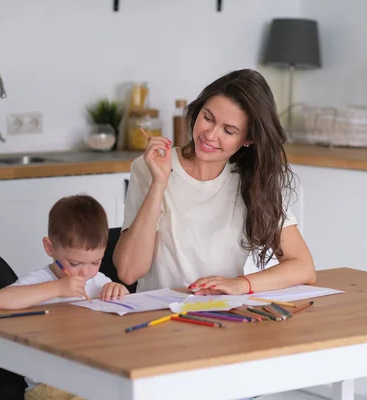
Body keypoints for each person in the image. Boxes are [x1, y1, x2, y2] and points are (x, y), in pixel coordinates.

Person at [113, 69, 316, 296]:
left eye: (228, 131)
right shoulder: (149, 166)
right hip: (158, 316)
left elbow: (303, 267)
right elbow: (129, 271)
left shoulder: (252, 179)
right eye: (207, 118)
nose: (210, 135)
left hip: (222, 316)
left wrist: (240, 284)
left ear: (248, 139)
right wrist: (159, 183)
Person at [0, 194, 128, 400]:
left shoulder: (98, 281)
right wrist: (57, 289)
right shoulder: (41, 281)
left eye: (95, 262)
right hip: (50, 387)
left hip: (93, 378)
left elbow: (125, 308)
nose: (86, 272)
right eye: (75, 264)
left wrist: (118, 290)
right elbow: (1, 301)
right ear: (50, 248)